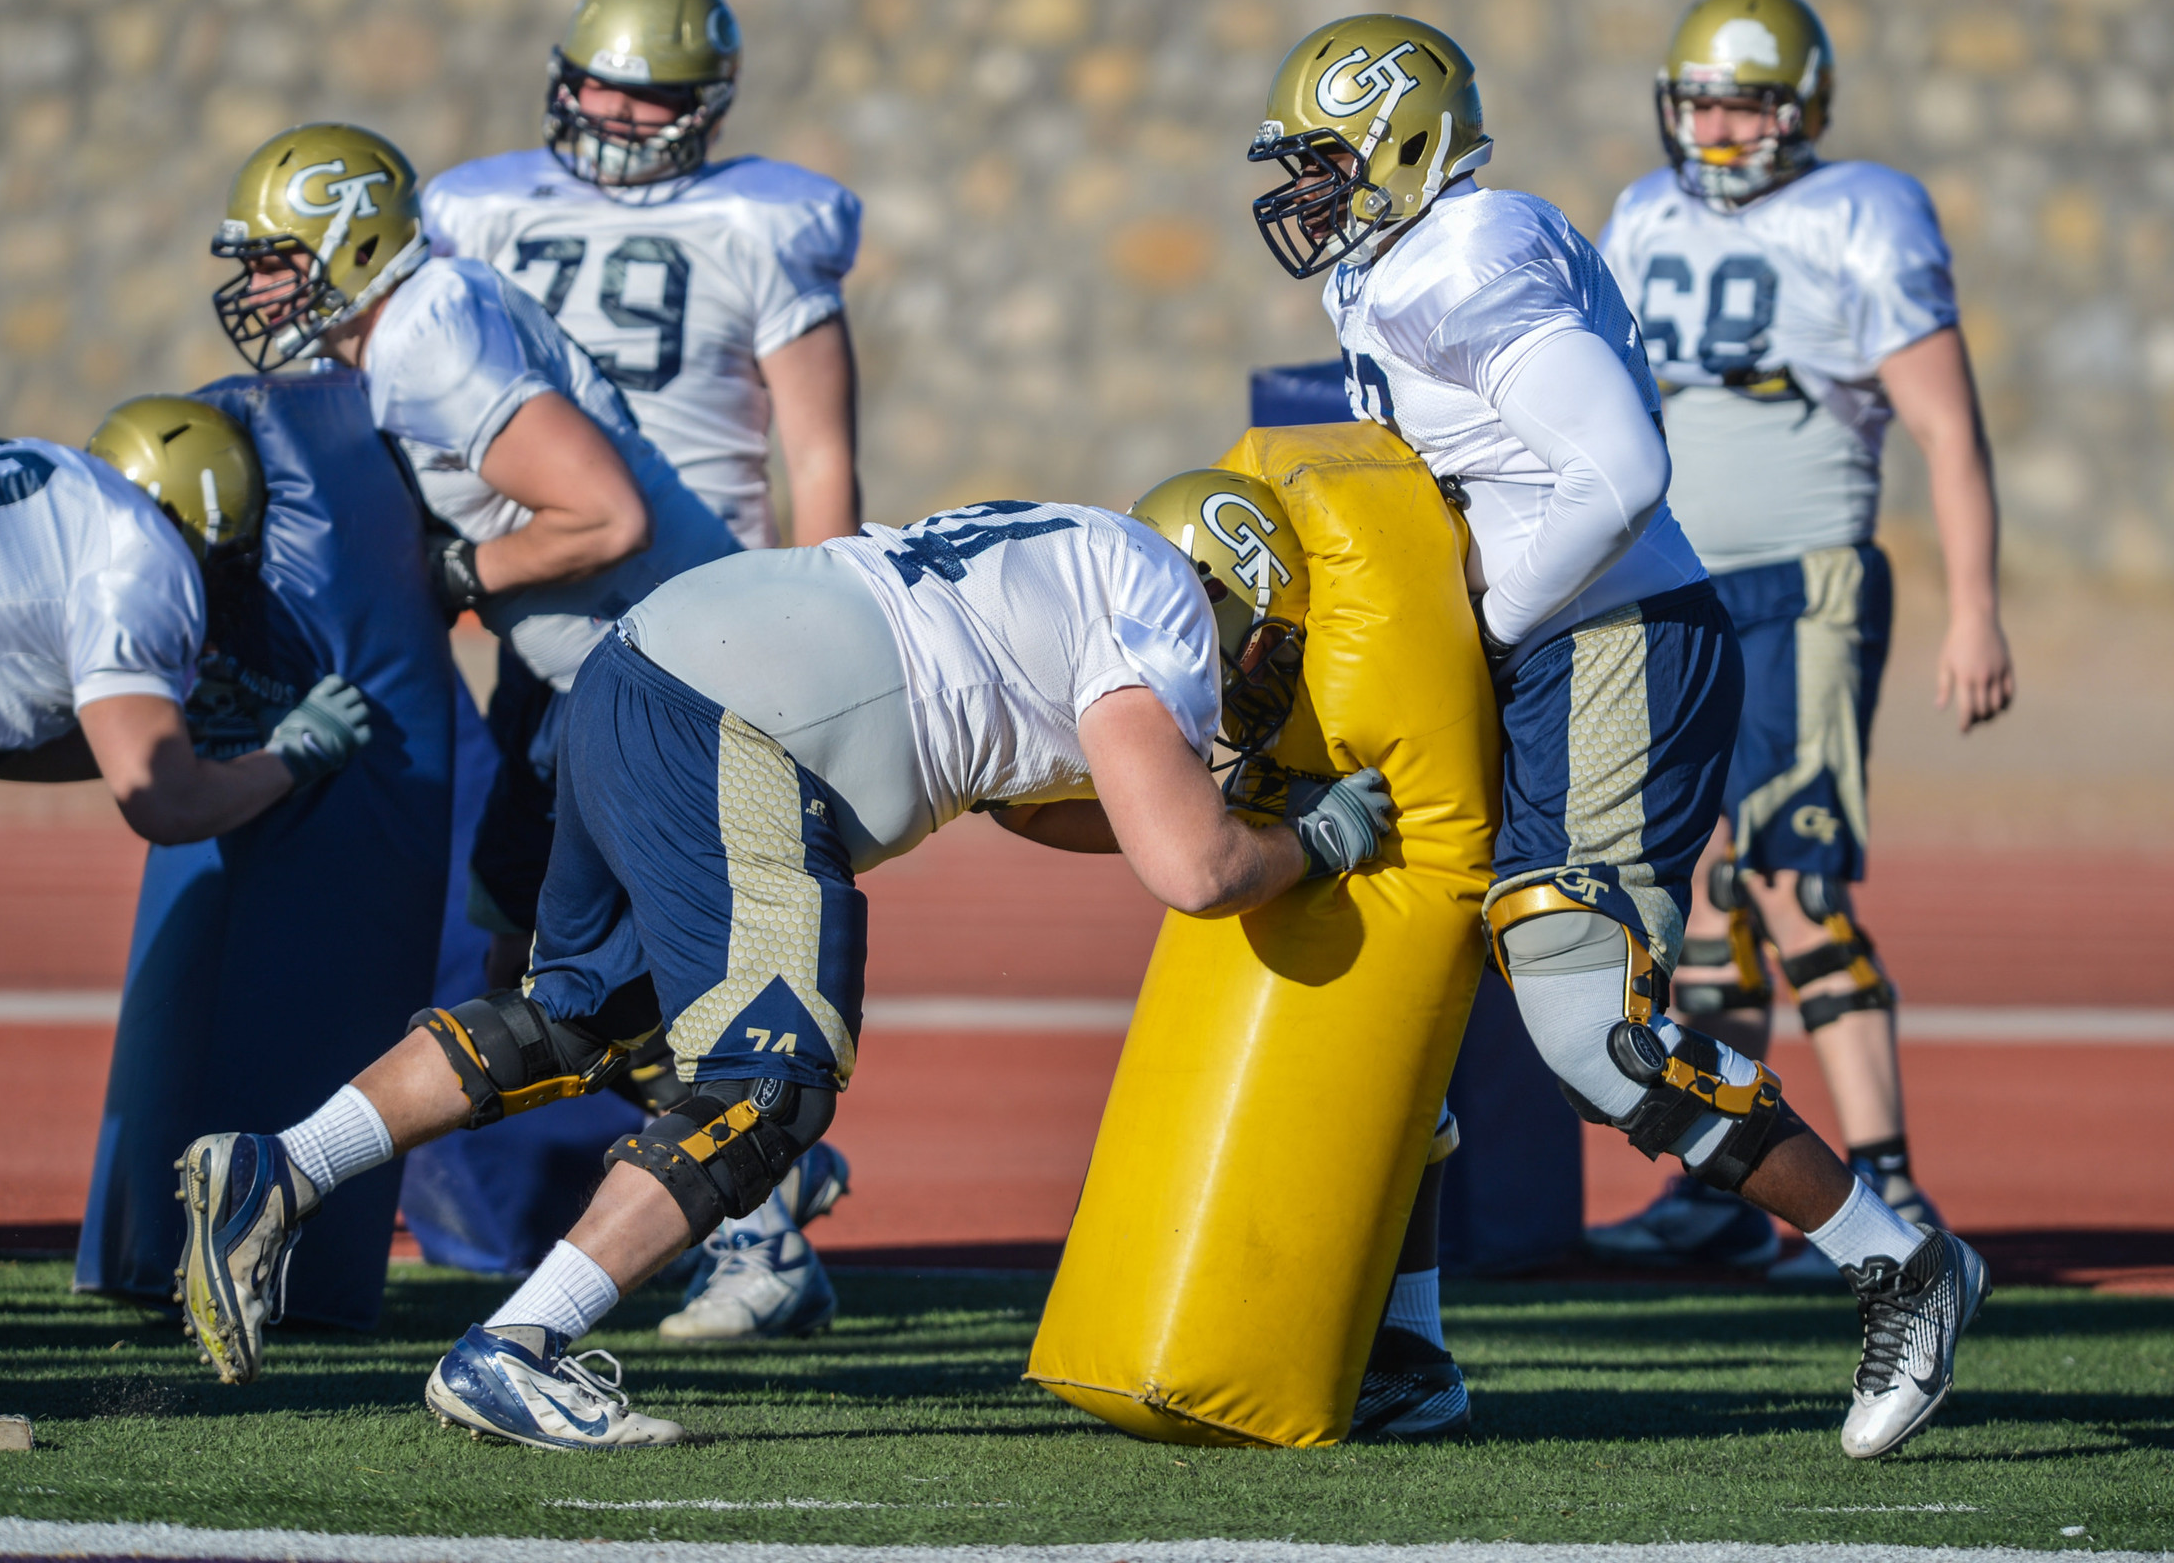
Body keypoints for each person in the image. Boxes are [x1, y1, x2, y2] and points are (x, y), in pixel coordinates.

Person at [173, 482, 1398, 1448]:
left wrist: (1235, 809)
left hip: (642, 669)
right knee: (770, 1082)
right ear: (1228, 586)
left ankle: (279, 1166)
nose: (1257, 678)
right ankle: (517, 1348)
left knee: (588, 1017)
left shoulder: (1076, 552)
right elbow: (1191, 870)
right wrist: (1310, 841)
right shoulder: (1166, 606)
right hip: (740, 723)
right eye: (1265, 646)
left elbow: (1037, 805)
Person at [1247, 13, 1987, 1458]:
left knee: (1597, 1040)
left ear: (1407, 142)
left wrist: (1495, 617)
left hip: (1609, 645)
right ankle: (1411, 1353)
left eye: (1334, 158)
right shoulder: (1403, 264)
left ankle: (1897, 1260)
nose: (1312, 190)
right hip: (1544, 652)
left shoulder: (1463, 253)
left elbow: (1622, 469)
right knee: (1409, 998)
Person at [421, 0, 865, 1339]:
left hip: (695, 633)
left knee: (683, 957)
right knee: (524, 952)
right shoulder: (481, 207)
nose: (615, 112)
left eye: (647, 92)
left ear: (706, 104)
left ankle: (765, 1226)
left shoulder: (765, 227)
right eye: (598, 81)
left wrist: (832, 622)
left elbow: (817, 455)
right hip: (547, 629)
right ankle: (756, 1188)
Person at [1591, 0, 2015, 1282]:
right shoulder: (1642, 211)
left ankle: (1887, 1182)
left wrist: (1977, 609)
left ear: (1801, 110)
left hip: (1805, 581)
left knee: (1795, 877)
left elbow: (1947, 425)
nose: (1717, 131)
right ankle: (1724, 1190)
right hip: (1676, 586)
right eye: (1701, 103)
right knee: (1710, 892)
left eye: (1746, 105)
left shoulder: (1861, 213)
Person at [0, 399, 370, 873]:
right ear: (203, 514)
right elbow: (166, 805)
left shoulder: (50, 476)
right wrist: (293, 756)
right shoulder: (143, 552)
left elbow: (9, 751)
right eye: (235, 562)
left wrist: (185, 731)